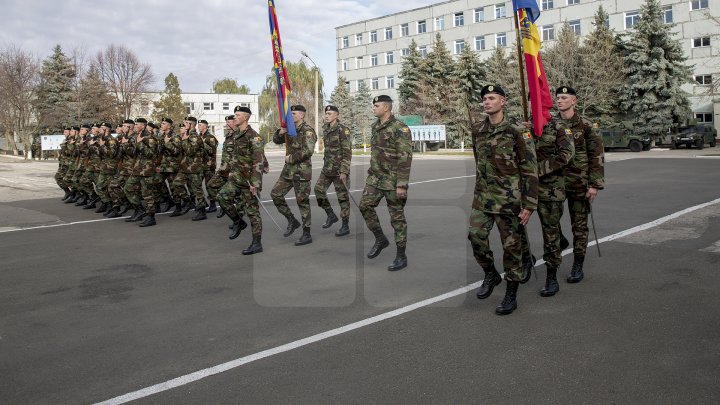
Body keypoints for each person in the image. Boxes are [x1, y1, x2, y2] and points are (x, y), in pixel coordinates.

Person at [468, 85, 538, 315]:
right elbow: (480, 162)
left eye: (491, 98)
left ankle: (511, 292)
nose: (486, 102)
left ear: (503, 101)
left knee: (511, 247)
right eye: (484, 99)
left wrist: (529, 204)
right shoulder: (478, 129)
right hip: (483, 197)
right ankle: (490, 273)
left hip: (509, 199)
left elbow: (529, 169)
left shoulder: (517, 130)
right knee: (476, 236)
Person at [523, 91, 576, 297]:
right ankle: (526, 259)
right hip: (525, 190)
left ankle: (551, 276)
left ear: (546, 105)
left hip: (550, 190)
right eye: (531, 102)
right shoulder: (523, 127)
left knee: (550, 234)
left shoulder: (559, 127)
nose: (535, 106)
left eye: (539, 103)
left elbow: (566, 155)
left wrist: (536, 169)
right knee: (516, 229)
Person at [358, 95, 412, 271]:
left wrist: (402, 184)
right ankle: (380, 238)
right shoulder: (375, 127)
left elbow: (405, 158)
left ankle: (401, 255)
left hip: (393, 180)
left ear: (387, 108)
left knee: (397, 219)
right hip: (375, 178)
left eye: (376, 105)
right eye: (373, 105)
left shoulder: (400, 128)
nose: (373, 108)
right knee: (365, 205)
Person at [558, 86, 605, 283]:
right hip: (557, 183)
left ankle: (578, 264)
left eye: (564, 97)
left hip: (580, 183)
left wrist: (594, 184)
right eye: (558, 97)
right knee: (550, 218)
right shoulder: (551, 124)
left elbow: (597, 156)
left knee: (579, 226)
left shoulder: (586, 125)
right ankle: (560, 240)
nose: (560, 100)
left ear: (573, 101)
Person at [217, 106, 267, 254]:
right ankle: (238, 222)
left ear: (245, 117)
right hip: (236, 178)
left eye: (238, 115)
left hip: (249, 181)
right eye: (235, 115)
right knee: (222, 197)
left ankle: (257, 243)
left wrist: (255, 184)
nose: (235, 117)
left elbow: (258, 161)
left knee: (252, 212)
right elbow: (234, 156)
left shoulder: (254, 136)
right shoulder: (236, 134)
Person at [271, 105, 317, 246]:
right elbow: (276, 140)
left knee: (302, 202)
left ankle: (307, 233)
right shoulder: (290, 130)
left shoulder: (308, 131)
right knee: (276, 194)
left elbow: (308, 151)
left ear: (302, 115)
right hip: (288, 172)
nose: (291, 116)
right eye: (290, 114)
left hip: (301, 172)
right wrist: (280, 132)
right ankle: (292, 219)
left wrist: (291, 158)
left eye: (294, 113)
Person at [314, 105, 353, 236]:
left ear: (336, 115)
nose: (327, 115)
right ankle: (330, 215)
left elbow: (347, 152)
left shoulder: (343, 130)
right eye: (326, 113)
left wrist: (344, 171)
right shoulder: (326, 129)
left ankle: (345, 225)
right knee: (318, 190)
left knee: (342, 198)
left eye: (330, 113)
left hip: (339, 170)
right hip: (327, 169)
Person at [171, 116, 207, 220]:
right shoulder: (186, 136)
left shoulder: (194, 137)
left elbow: (190, 152)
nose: (184, 125)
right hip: (185, 167)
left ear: (192, 125)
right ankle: (187, 201)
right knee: (176, 184)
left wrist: (184, 140)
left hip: (194, 168)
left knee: (197, 190)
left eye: (186, 123)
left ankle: (202, 211)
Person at [206, 115, 236, 219]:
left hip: (233, 170)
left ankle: (236, 217)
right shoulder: (228, 135)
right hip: (223, 169)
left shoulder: (238, 136)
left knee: (238, 195)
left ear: (235, 122)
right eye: (226, 122)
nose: (227, 124)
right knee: (211, 185)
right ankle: (224, 206)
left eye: (230, 122)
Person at [198, 119, 219, 213]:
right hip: (199, 165)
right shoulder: (198, 136)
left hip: (209, 165)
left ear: (205, 126)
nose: (198, 126)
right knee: (197, 185)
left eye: (200, 125)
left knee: (209, 185)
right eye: (198, 125)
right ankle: (202, 202)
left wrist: (202, 144)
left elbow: (212, 151)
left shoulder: (210, 137)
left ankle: (213, 204)